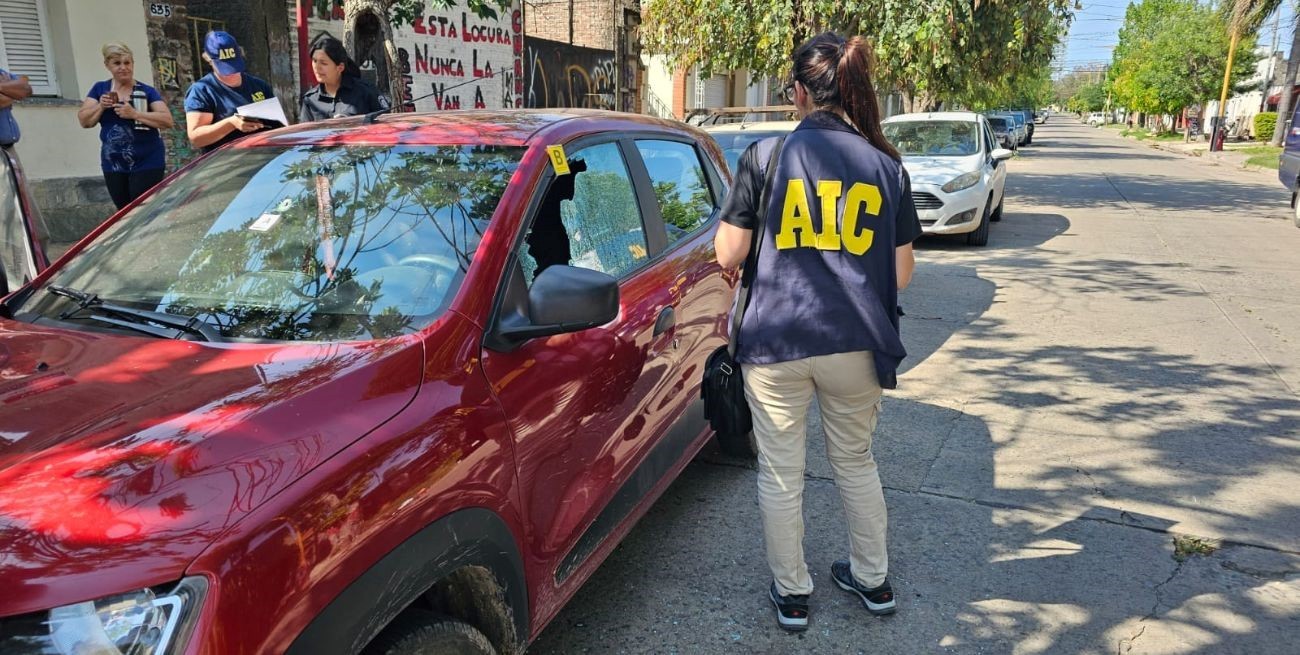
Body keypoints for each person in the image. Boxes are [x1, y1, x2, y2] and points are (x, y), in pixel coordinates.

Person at [713, 32, 922, 632]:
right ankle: (872, 579)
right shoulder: (885, 166)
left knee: (781, 473)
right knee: (855, 462)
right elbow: (901, 274)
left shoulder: (765, 157)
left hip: (775, 342)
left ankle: (793, 594)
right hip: (855, 342)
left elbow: (729, 254)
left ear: (800, 93)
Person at [77, 43, 174, 209]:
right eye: (117, 63)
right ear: (107, 65)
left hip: (147, 160)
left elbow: (167, 120)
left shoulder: (146, 91)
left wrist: (135, 114)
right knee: (123, 211)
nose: (123, 67)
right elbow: (84, 121)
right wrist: (101, 106)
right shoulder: (100, 89)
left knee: (142, 210)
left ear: (133, 64)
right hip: (113, 162)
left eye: (127, 63)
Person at [184, 31, 276, 153]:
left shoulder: (259, 86)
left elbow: (279, 125)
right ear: (209, 60)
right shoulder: (202, 90)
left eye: (233, 64)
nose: (231, 72)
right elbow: (196, 139)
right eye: (223, 66)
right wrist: (231, 124)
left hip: (263, 157)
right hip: (226, 161)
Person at [299, 35, 388, 122]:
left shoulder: (365, 92)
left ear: (340, 67)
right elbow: (305, 130)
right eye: (314, 61)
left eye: (324, 63)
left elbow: (387, 123)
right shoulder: (310, 99)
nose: (317, 68)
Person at [0, 68, 32, 148]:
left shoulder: (2, 73)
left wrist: (1, 87)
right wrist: (12, 92)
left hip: (8, 149)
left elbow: (26, 90)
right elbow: (1, 100)